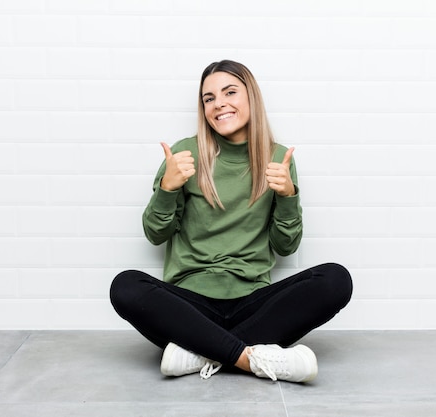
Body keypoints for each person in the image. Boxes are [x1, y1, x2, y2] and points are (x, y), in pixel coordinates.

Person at [110, 60, 352, 383]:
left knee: (336, 279)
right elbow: (156, 233)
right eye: (208, 98)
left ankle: (199, 351)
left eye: (229, 92)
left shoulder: (278, 159)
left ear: (251, 97)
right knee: (124, 286)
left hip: (253, 302)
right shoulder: (184, 155)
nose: (218, 103)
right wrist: (168, 188)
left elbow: (285, 246)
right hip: (191, 304)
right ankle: (250, 358)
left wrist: (288, 195)